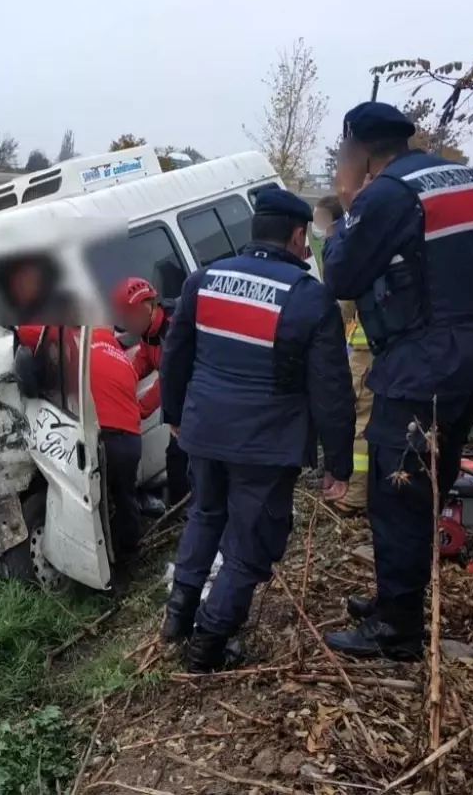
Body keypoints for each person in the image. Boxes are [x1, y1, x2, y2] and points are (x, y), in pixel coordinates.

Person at [321, 102, 473, 660]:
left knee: (399, 490)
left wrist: (345, 205)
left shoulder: (384, 195)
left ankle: (399, 628)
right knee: (434, 477)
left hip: (422, 366)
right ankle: (397, 597)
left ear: (359, 150)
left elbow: (339, 274)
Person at [158, 188, 355, 673]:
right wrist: (340, 462)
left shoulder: (202, 281)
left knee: (205, 516)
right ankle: (207, 645)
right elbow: (331, 389)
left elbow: (174, 355)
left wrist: (175, 415)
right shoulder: (309, 297)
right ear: (295, 236)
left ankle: (177, 620)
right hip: (265, 446)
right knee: (249, 544)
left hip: (202, 432)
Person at [14, 323, 153, 559]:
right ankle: (130, 554)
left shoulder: (79, 347)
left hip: (102, 436)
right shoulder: (121, 357)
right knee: (125, 497)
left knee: (93, 504)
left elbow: (34, 332)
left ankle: (101, 564)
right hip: (131, 440)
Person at [111, 277, 189, 516]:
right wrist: (122, 380)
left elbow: (168, 379)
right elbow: (144, 360)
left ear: (145, 308)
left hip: (195, 401)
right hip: (182, 403)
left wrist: (137, 410)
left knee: (183, 459)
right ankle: (181, 510)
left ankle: (187, 513)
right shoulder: (149, 332)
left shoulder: (174, 328)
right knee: (177, 459)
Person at [312, 195, 369, 516]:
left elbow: (342, 303)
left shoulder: (351, 249)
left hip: (365, 351)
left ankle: (356, 494)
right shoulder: (358, 241)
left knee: (360, 419)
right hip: (363, 348)